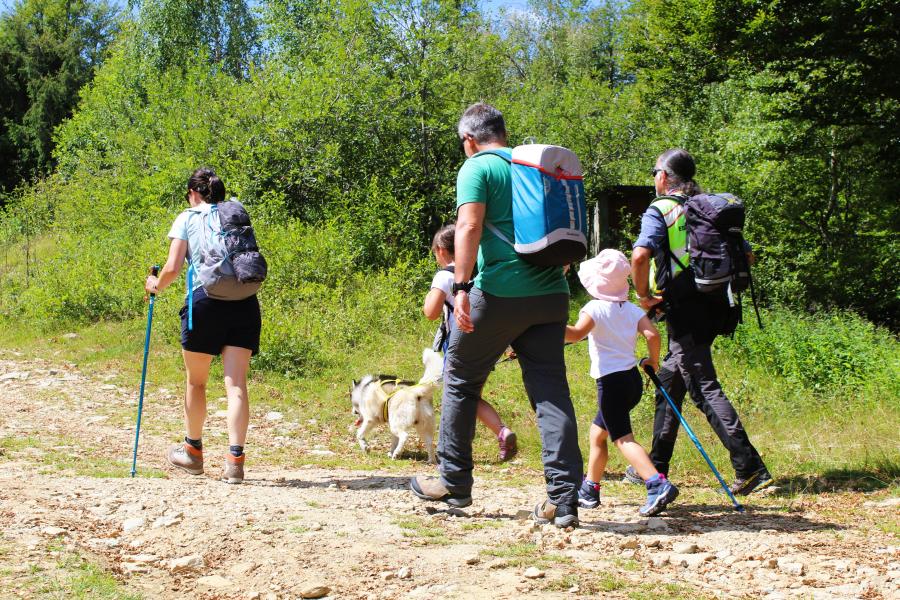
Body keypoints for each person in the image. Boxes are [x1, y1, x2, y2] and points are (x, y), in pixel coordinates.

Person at [410, 103, 583, 528]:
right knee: (551, 393)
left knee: (460, 379)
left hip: (501, 291)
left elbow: (468, 228)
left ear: (469, 139)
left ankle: (454, 481)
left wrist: (463, 288)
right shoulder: (533, 166)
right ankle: (564, 501)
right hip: (552, 296)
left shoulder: (477, 168)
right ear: (503, 133)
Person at [629, 148, 772, 495]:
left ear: (664, 176)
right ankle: (655, 465)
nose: (654, 179)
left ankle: (749, 466)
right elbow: (748, 254)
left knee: (703, 384)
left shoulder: (662, 209)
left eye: (654, 172)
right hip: (717, 304)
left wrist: (643, 295)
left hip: (685, 309)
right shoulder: (711, 208)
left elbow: (640, 254)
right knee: (670, 378)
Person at [144, 167, 261, 485]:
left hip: (205, 304)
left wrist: (155, 285)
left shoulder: (188, 217)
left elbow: (172, 266)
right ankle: (235, 462)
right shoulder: (235, 212)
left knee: (196, 382)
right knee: (236, 384)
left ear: (194, 194)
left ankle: (193, 453)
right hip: (244, 303)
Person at [564, 249, 678, 516]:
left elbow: (575, 334)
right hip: (631, 381)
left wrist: (548, 324)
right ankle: (590, 489)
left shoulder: (594, 308)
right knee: (597, 433)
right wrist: (652, 361)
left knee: (623, 439)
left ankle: (656, 483)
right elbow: (652, 334)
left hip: (611, 385)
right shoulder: (633, 310)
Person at [423, 223, 517, 462]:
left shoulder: (445, 276)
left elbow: (430, 312)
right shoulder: (478, 276)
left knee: (458, 395)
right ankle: (500, 432)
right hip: (487, 343)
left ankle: (456, 450)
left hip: (460, 345)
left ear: (441, 251)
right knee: (471, 396)